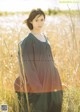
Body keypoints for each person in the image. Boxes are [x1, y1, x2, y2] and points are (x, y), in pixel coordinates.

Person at [14, 8, 63, 112]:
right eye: (36, 20)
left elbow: (51, 59)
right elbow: (29, 67)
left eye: (42, 19)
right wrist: (37, 87)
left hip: (52, 79)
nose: (40, 23)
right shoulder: (27, 41)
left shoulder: (45, 37)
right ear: (31, 21)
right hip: (39, 81)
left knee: (54, 106)